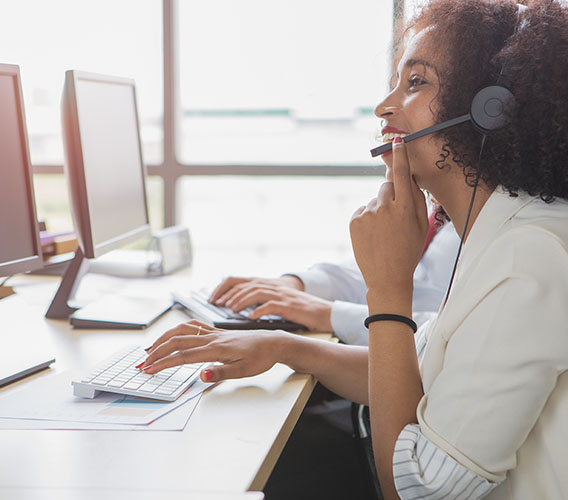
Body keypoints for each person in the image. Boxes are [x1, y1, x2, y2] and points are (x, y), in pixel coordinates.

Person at [141, 1, 568, 498]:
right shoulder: (503, 234)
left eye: (416, 82)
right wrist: (281, 347)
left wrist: (388, 288)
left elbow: (415, 489)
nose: (383, 108)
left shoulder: (528, 256)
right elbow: (420, 375)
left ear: (490, 111)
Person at [207, 212, 459, 345]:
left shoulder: (490, 228)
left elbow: (448, 334)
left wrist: (326, 315)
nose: (383, 111)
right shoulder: (452, 216)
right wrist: (296, 285)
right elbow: (410, 283)